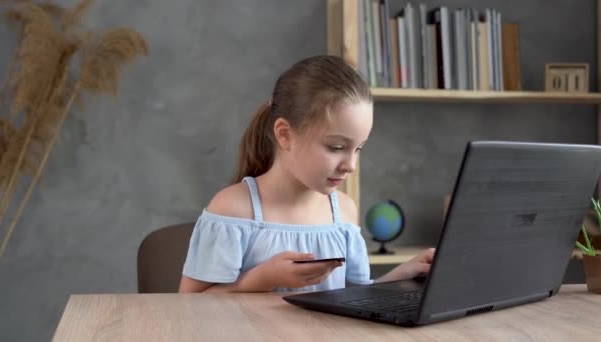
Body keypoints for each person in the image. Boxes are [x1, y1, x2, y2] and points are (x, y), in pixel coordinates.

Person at [179, 55, 435, 293]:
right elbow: (189, 304)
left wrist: (403, 273)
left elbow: (353, 298)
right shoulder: (234, 208)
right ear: (285, 134)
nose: (351, 165)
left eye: (358, 148)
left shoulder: (344, 213)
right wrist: (263, 278)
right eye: (336, 147)